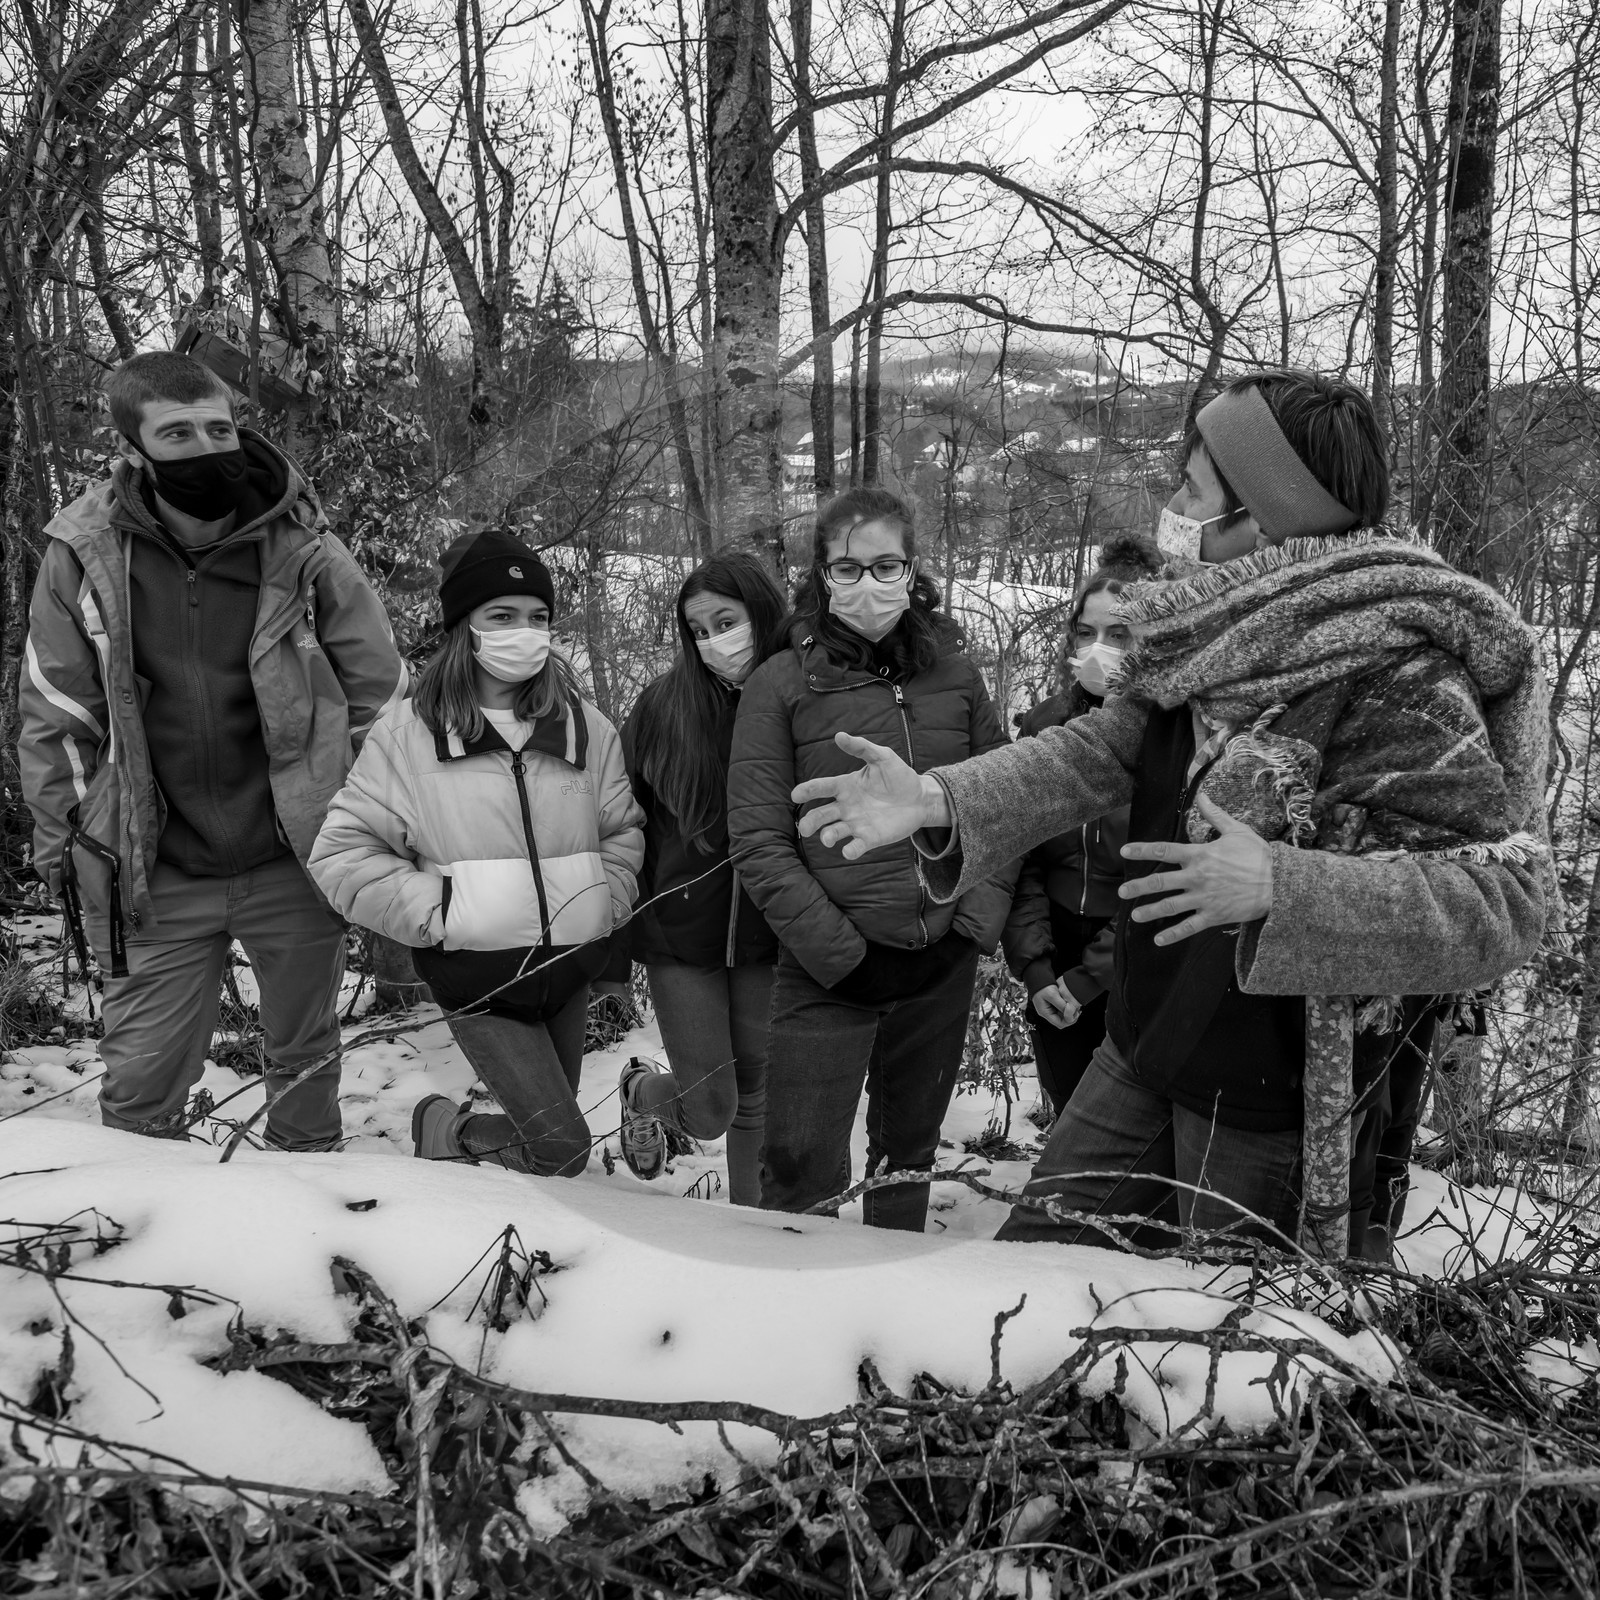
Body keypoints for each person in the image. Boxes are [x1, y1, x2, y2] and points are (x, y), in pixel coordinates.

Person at [786, 372, 1551, 1256]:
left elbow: (1503, 905)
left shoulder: (1401, 674)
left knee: (1220, 1352)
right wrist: (936, 796)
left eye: (1191, 489)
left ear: (1262, 514)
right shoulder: (1216, 637)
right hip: (1145, 1044)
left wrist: (1280, 886)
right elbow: (1093, 751)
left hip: (1277, 1099)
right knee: (1027, 1270)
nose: (1173, 510)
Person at [20, 352, 406, 1150]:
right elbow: (58, 710)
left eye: (219, 427)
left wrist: (375, 829)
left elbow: (380, 697)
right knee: (141, 1079)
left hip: (292, 851)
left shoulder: (304, 548)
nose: (207, 448)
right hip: (152, 861)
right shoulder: (84, 554)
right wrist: (67, 845)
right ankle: (142, 1227)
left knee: (305, 1058)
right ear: (134, 450)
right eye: (179, 432)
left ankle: (314, 1200)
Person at [727, 487, 1020, 1232]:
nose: (868, 584)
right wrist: (847, 957)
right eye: (848, 568)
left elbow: (1005, 806)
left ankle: (888, 1301)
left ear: (913, 571)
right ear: (821, 576)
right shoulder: (781, 684)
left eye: (885, 565)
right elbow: (759, 840)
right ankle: (799, 1301)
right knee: (798, 1161)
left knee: (907, 1157)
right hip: (831, 971)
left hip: (940, 965)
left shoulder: (955, 676)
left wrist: (969, 927)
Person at [308, 532, 643, 1176]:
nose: (525, 631)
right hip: (480, 983)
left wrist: (605, 903)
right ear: (465, 627)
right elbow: (342, 853)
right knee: (562, 1148)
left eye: (538, 617)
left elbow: (621, 832)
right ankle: (447, 1128)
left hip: (568, 971)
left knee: (547, 1139)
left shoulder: (585, 728)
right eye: (502, 616)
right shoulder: (409, 736)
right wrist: (443, 911)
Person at [617, 552, 790, 1202]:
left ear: (761, 612)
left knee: (756, 1094)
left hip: (768, 935)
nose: (714, 640)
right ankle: (642, 1091)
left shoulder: (803, 695)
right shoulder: (665, 705)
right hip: (680, 937)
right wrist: (615, 942)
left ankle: (752, 1230)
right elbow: (620, 822)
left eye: (727, 620)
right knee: (711, 1108)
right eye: (699, 629)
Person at [1001, 535, 1162, 1123]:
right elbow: (1022, 858)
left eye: (1118, 636)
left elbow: (1161, 874)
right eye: (1085, 632)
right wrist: (1037, 970)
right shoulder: (1045, 725)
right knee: (1071, 1123)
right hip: (1055, 951)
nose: (1098, 650)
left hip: (1140, 956)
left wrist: (1089, 979)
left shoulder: (1172, 737)